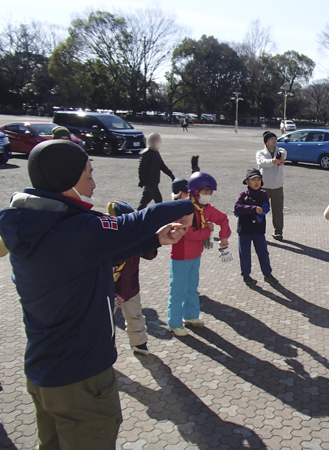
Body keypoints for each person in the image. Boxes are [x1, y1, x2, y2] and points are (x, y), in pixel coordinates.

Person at [0, 140, 194, 449]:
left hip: (45, 372)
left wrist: (155, 240)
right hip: (80, 378)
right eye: (89, 174)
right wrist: (188, 205)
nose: (94, 182)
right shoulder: (76, 229)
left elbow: (91, 254)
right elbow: (133, 223)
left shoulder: (36, 225)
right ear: (66, 180)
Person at [168, 171, 233, 337]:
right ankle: (174, 322)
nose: (208, 197)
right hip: (181, 256)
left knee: (192, 288)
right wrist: (207, 229)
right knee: (178, 290)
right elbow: (189, 234)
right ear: (196, 192)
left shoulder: (206, 209)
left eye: (210, 194)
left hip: (195, 255)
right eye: (205, 193)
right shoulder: (184, 208)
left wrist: (224, 237)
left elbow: (223, 218)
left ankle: (190, 316)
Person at [108, 201, 158, 356]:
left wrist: (149, 239)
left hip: (131, 287)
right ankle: (103, 347)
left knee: (135, 315)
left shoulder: (135, 237)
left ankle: (139, 342)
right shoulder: (108, 240)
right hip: (111, 289)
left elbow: (150, 254)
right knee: (104, 320)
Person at [234, 168, 279, 286]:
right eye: (253, 179)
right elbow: (237, 208)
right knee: (245, 253)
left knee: (263, 252)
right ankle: (246, 276)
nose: (256, 182)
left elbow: (264, 208)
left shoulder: (263, 194)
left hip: (258, 229)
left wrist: (248, 204)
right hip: (244, 229)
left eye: (258, 179)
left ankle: (267, 274)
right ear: (247, 181)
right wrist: (253, 208)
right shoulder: (243, 194)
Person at [257, 131, 286, 241]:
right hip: (264, 186)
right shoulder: (260, 153)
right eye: (271, 139)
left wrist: (280, 158)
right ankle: (259, 231)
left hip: (278, 186)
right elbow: (262, 162)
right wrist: (273, 161)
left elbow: (284, 154)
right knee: (261, 210)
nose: (274, 141)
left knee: (278, 210)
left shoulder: (281, 150)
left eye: (275, 138)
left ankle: (278, 232)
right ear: (266, 142)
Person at [137, 133, 175, 210]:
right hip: (149, 181)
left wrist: (170, 174)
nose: (159, 142)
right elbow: (141, 168)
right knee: (158, 199)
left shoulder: (156, 152)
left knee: (145, 200)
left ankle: (138, 213)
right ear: (152, 141)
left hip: (155, 180)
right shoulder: (147, 154)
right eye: (158, 140)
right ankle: (159, 216)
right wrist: (142, 180)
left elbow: (162, 165)